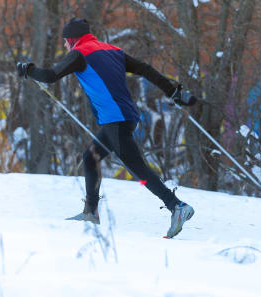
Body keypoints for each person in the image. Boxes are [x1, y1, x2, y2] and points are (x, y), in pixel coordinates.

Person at [16, 18, 196, 238]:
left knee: (138, 169)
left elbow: (51, 76)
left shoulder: (79, 53)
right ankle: (91, 212)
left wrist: (29, 70)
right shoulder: (113, 50)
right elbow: (146, 69)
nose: (65, 46)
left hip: (115, 120)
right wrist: (173, 91)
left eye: (65, 41)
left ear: (72, 39)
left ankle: (176, 206)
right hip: (126, 117)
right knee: (90, 158)